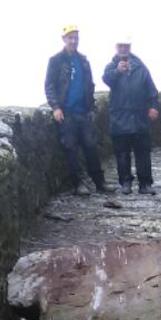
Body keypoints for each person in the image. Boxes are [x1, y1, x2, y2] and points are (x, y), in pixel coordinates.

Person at [45, 24, 118, 195]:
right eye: (70, 37)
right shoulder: (56, 60)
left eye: (76, 38)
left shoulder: (83, 60)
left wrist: (91, 107)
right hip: (66, 112)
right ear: (64, 39)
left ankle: (100, 183)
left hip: (83, 112)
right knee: (70, 148)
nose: (73, 41)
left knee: (91, 147)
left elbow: (90, 85)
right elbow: (49, 86)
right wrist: (55, 107)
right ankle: (78, 184)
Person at [103, 37, 159, 195]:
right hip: (120, 117)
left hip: (140, 117)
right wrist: (117, 72)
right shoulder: (111, 66)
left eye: (126, 46)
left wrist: (154, 106)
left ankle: (145, 184)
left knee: (143, 152)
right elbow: (106, 80)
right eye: (120, 46)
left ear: (130, 47)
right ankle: (125, 183)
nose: (123, 49)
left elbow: (151, 89)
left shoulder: (141, 67)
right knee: (122, 153)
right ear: (116, 47)